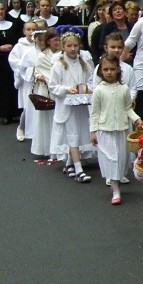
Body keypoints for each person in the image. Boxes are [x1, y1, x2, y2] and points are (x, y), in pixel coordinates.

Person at [90, 54, 143, 205]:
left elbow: (128, 108)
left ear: (118, 70)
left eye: (112, 69)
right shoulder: (99, 91)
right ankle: (115, 190)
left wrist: (137, 119)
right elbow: (94, 113)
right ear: (101, 71)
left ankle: (117, 181)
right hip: (104, 129)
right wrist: (92, 131)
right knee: (111, 159)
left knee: (121, 159)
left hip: (122, 129)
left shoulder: (124, 89)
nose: (109, 72)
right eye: (106, 69)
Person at [49, 28, 95, 183]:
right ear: (63, 47)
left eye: (75, 45)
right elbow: (53, 86)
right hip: (67, 106)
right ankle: (78, 169)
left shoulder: (84, 63)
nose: (73, 49)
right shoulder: (59, 65)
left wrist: (87, 88)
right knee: (72, 135)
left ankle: (69, 163)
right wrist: (67, 89)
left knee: (77, 134)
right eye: (69, 46)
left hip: (81, 105)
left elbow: (90, 79)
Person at [30, 29, 61, 164]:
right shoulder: (43, 56)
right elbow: (42, 72)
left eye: (59, 40)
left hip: (59, 91)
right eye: (55, 40)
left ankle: (58, 149)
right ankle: (46, 149)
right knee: (47, 122)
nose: (58, 42)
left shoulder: (62, 54)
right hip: (48, 91)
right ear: (48, 41)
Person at [8, 19, 38, 142]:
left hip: (39, 79)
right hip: (27, 80)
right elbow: (14, 61)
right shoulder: (19, 46)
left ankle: (35, 130)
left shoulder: (40, 44)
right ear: (24, 31)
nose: (31, 32)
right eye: (28, 29)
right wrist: (27, 69)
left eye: (34, 29)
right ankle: (22, 126)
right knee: (28, 105)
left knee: (38, 106)